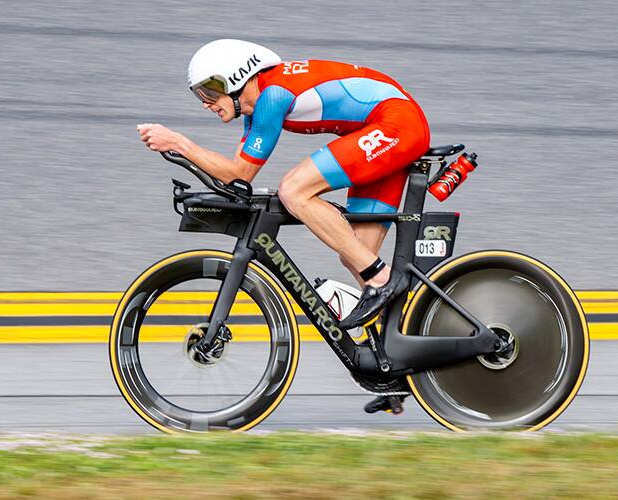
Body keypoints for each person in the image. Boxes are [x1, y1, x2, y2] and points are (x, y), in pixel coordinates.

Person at [137, 38, 430, 357]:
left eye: (210, 91)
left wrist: (181, 143)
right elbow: (234, 177)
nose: (206, 102)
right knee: (355, 252)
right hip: (386, 128)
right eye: (199, 95)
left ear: (237, 78)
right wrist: (183, 152)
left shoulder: (272, 95)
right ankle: (398, 362)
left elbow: (242, 173)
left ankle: (383, 279)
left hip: (397, 124)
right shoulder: (256, 110)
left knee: (294, 190)